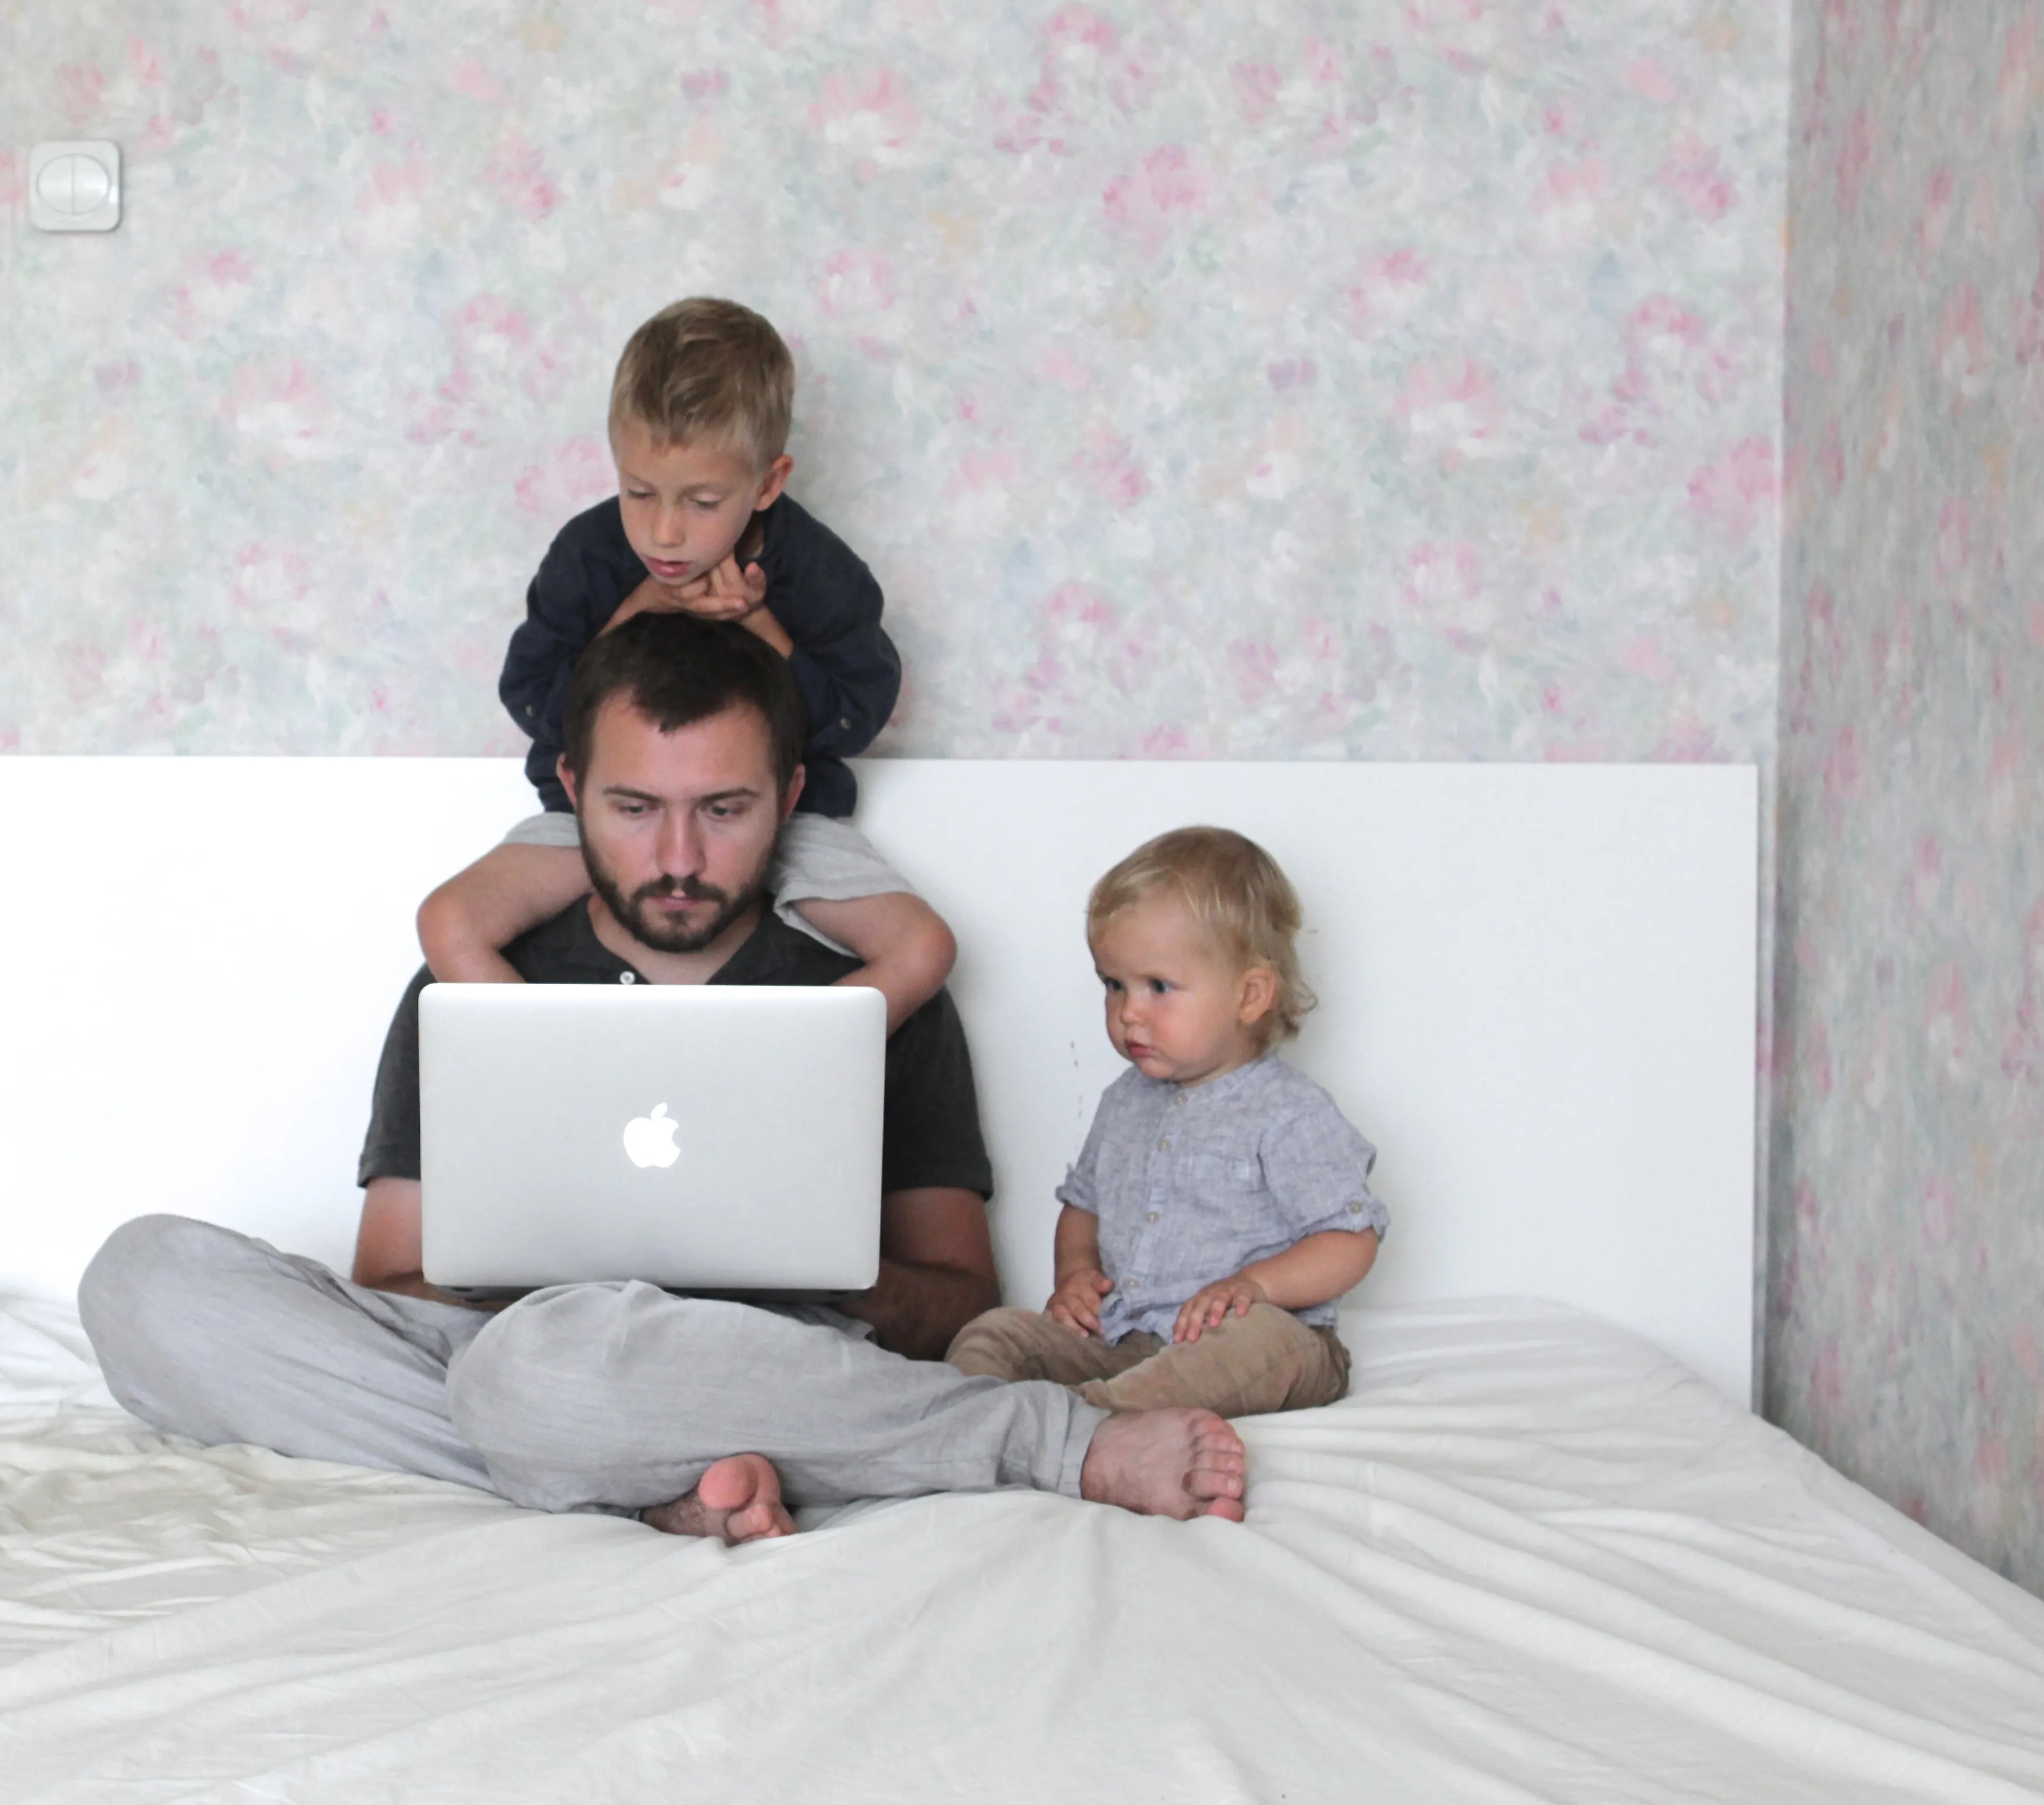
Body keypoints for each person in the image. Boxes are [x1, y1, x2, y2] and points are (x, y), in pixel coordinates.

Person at [80, 615, 1248, 1541]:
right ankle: (639, 1480)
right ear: (572, 789)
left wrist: (826, 1280)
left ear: (790, 798)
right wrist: (554, 1273)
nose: (679, 859)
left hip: (763, 1363)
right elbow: (391, 1276)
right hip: (516, 1355)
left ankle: (1053, 1443)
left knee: (541, 1378)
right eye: (634, 810)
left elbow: (958, 1299)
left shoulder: (868, 994)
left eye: (723, 811)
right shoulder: (478, 989)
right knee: (145, 1283)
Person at [417, 297, 956, 1032]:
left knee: (924, 948)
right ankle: (555, 1064)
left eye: (703, 501)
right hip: (605, 830)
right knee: (447, 922)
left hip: (786, 824)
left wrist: (762, 627)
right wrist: (637, 609)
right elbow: (533, 697)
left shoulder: (821, 573)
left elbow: (853, 718)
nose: (664, 532)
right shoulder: (589, 556)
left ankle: (768, 1064)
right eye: (639, 493)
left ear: (767, 484)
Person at [946, 828, 1389, 1419]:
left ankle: (1085, 1423)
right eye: (1113, 985)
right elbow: (1083, 1208)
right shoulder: (1123, 1102)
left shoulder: (1288, 1113)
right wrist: (1076, 1274)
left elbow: (1349, 1241)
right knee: (994, 1334)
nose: (1128, 1011)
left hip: (1255, 1342)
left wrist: (1256, 1287)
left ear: (1250, 995)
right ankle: (978, 1420)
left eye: (1159, 987)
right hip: (1126, 1342)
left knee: (1263, 1342)